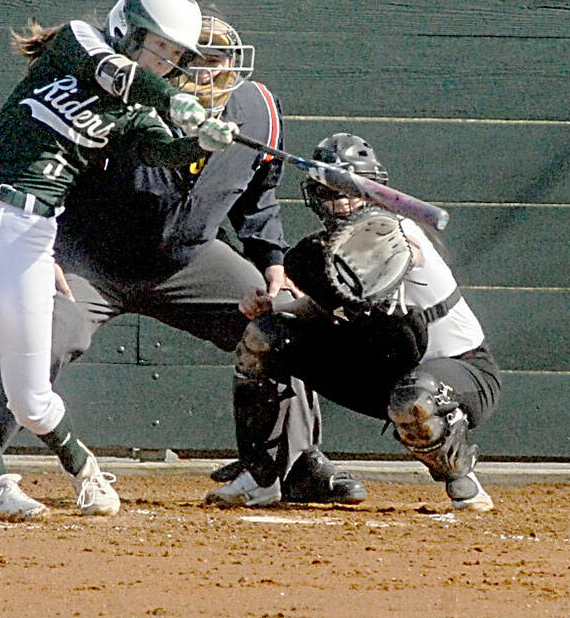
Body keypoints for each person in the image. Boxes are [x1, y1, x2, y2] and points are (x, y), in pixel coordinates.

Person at [0, 15, 367, 510]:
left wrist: (271, 263)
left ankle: (292, 462)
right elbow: (54, 170)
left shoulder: (259, 109)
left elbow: (258, 201)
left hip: (189, 258)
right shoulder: (125, 101)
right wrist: (44, 249)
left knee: (279, 321)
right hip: (91, 258)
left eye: (218, 62)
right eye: (192, 60)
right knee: (43, 334)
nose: (208, 73)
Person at [0, 0, 242, 521]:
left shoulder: (136, 110)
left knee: (30, 396)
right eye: (157, 45)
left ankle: (85, 470)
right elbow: (119, 74)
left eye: (174, 55)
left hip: (30, 234)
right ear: (128, 28)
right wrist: (173, 97)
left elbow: (161, 149)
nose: (165, 60)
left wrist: (199, 143)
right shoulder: (78, 42)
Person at [211, 134, 501, 511]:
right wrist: (273, 306)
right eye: (332, 192)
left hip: (462, 373)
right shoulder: (327, 252)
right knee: (267, 335)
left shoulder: (398, 233)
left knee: (414, 399)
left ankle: (463, 479)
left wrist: (392, 251)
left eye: (352, 189)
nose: (343, 202)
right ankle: (262, 475)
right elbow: (325, 309)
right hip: (384, 371)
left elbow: (388, 266)